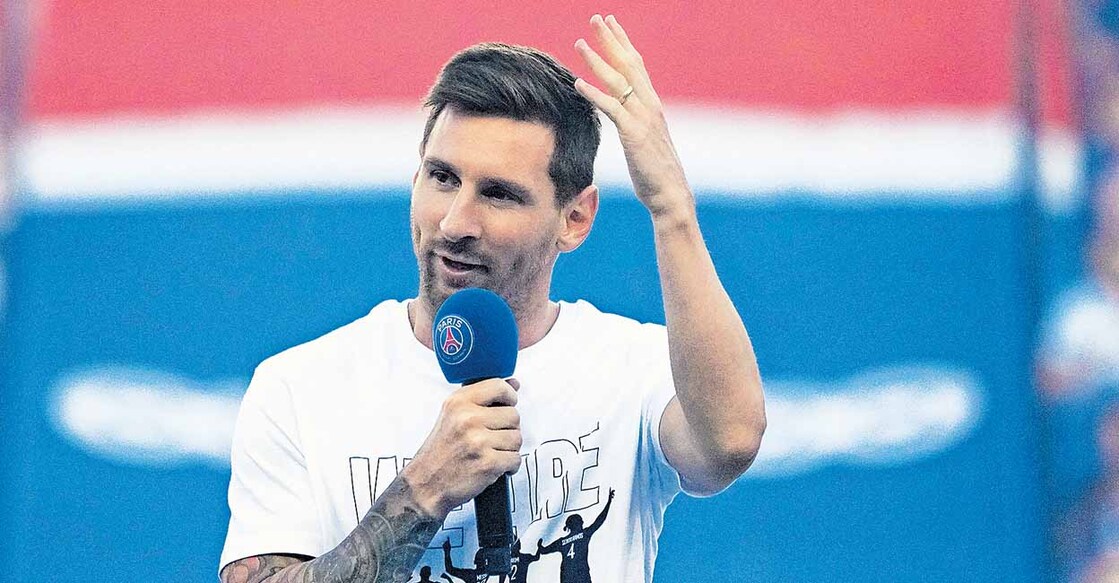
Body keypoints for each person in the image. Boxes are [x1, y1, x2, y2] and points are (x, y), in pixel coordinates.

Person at [218, 14, 765, 583]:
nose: (456, 222)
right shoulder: (298, 388)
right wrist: (421, 492)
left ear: (574, 219)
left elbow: (726, 444)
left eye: (499, 195)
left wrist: (670, 207)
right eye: (443, 178)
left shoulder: (633, 368)